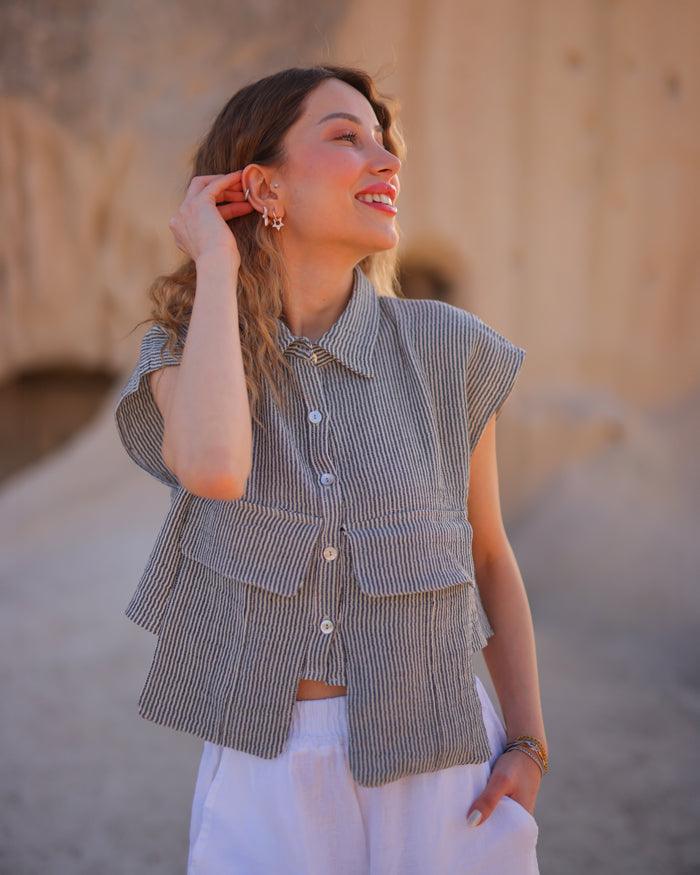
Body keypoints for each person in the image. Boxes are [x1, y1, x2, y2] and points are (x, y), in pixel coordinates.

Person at [114, 64, 548, 875]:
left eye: (386, 143)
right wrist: (216, 260)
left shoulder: (449, 348)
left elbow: (489, 553)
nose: (386, 161)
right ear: (261, 184)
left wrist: (528, 744)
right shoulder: (181, 357)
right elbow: (212, 467)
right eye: (346, 137)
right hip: (269, 774)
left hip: (446, 764)